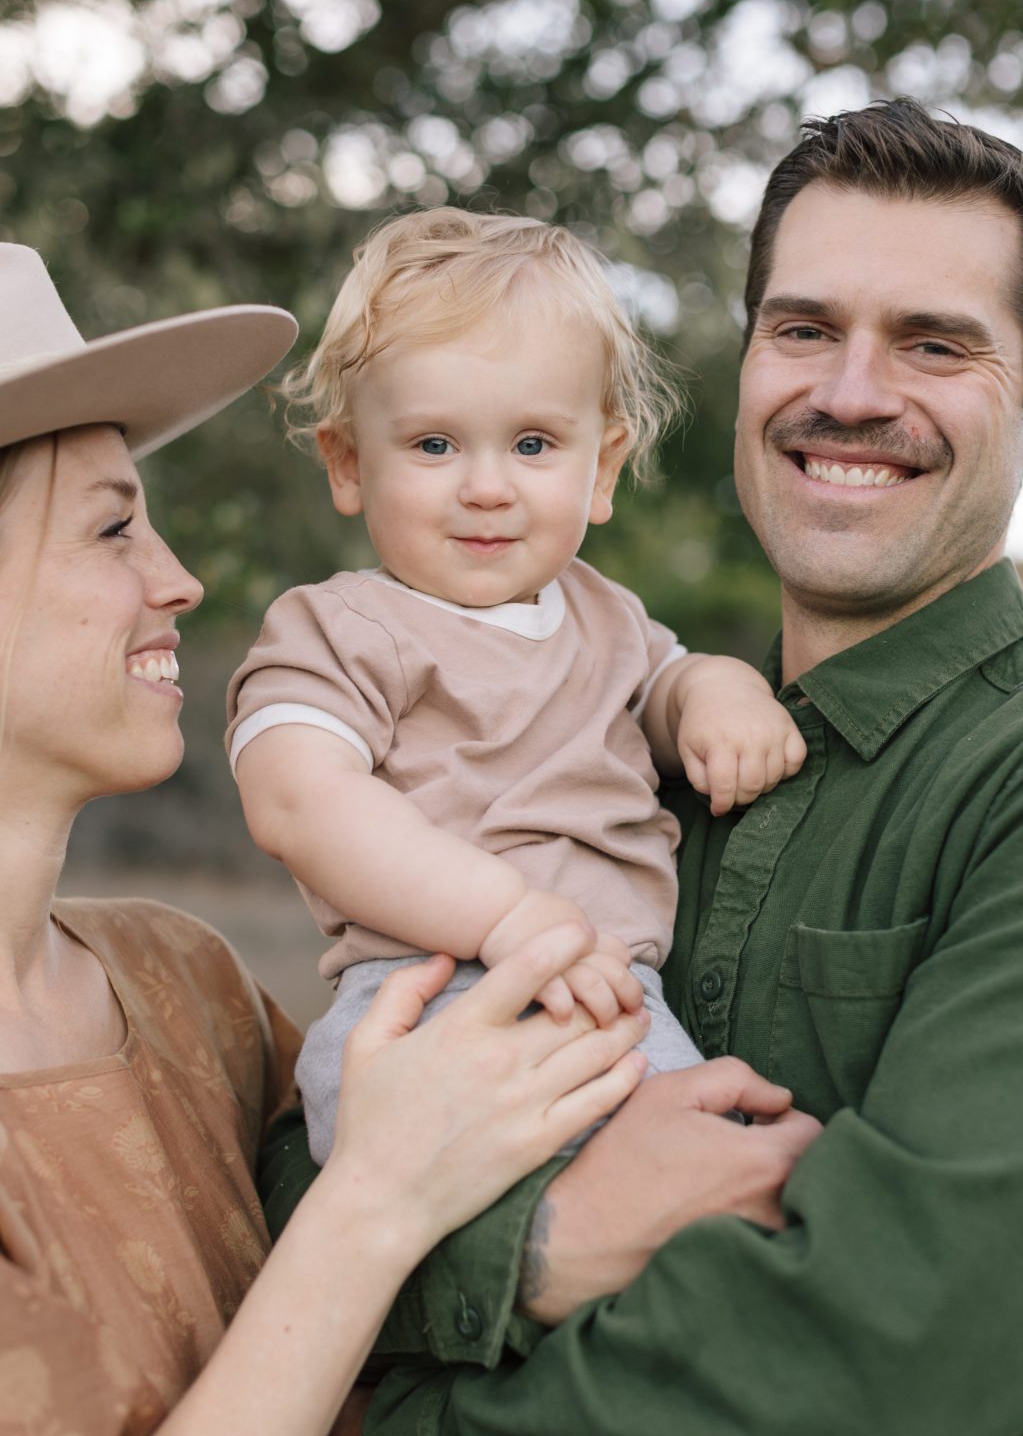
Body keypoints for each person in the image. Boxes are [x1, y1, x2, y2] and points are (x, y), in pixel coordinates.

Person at [307, 97, 1023, 1434]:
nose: (849, 393)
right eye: (801, 330)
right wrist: (540, 1240)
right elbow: (283, 1171)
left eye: (934, 344)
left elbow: (908, 1338)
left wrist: (416, 1331)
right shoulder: (603, 743)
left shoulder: (1000, 777)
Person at [0, 241, 670, 1435]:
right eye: (112, 531)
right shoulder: (346, 642)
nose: (181, 580)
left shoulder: (186, 983)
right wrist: (377, 1204)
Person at [225, 209, 806, 1166]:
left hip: (614, 997)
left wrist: (719, 689)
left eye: (533, 445)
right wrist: (506, 916)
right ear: (349, 463)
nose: (487, 486)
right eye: (435, 446)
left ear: (602, 468)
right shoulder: (344, 627)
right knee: (508, 1205)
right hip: (432, 995)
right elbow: (297, 798)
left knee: (714, 1186)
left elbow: (665, 692)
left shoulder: (605, 616)